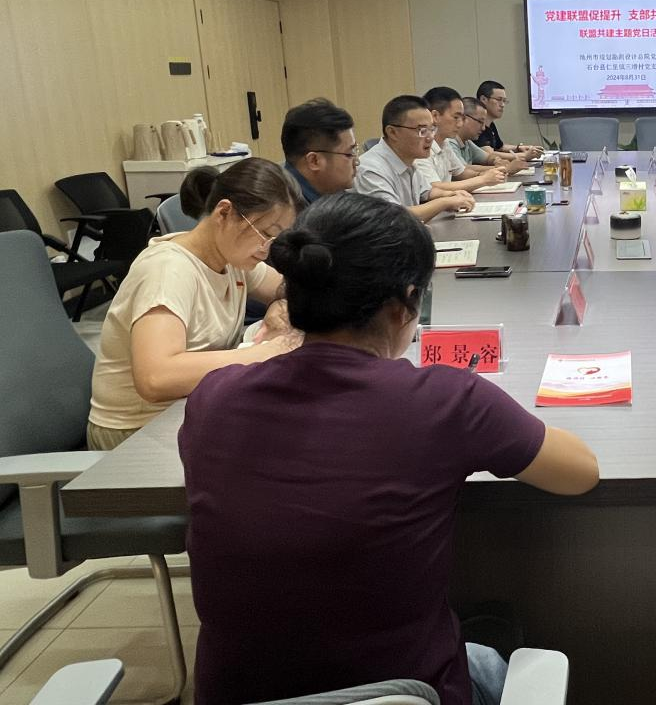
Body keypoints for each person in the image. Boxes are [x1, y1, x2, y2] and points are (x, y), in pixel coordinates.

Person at [179, 192, 600, 705]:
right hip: (409, 692)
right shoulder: (446, 400)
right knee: (492, 655)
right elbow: (579, 471)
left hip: (236, 696)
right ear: (406, 303)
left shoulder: (214, 397)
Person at [86, 158, 303, 450]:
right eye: (265, 233)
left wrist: (278, 304)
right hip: (135, 431)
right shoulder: (168, 270)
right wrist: (268, 352)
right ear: (224, 213)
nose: (268, 248)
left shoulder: (231, 257)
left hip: (190, 408)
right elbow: (156, 378)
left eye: (277, 238)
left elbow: (287, 287)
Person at [354, 95, 474, 221]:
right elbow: (393, 216)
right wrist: (444, 202)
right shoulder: (370, 169)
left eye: (432, 129)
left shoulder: (408, 159)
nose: (430, 137)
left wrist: (451, 195)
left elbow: (426, 192)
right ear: (392, 132)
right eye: (422, 130)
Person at [421, 86, 510, 193]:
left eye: (462, 118)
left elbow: (461, 173)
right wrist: (483, 180)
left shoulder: (444, 143)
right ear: (435, 116)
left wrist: (485, 174)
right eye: (456, 117)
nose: (460, 124)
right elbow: (433, 188)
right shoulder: (421, 146)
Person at [280, 98, 358, 202]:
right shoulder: (284, 207)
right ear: (314, 161)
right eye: (349, 154)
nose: (357, 162)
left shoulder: (332, 192)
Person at [453, 98, 528, 175]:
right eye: (480, 122)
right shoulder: (450, 141)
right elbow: (462, 170)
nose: (483, 128)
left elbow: (488, 157)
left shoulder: (467, 142)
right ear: (464, 118)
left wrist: (497, 161)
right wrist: (505, 168)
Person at [475, 79, 543, 159]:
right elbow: (489, 154)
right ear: (483, 99)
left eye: (504, 101)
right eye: (499, 100)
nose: (502, 105)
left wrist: (519, 148)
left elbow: (500, 147)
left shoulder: (491, 124)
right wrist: (524, 156)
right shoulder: (476, 125)